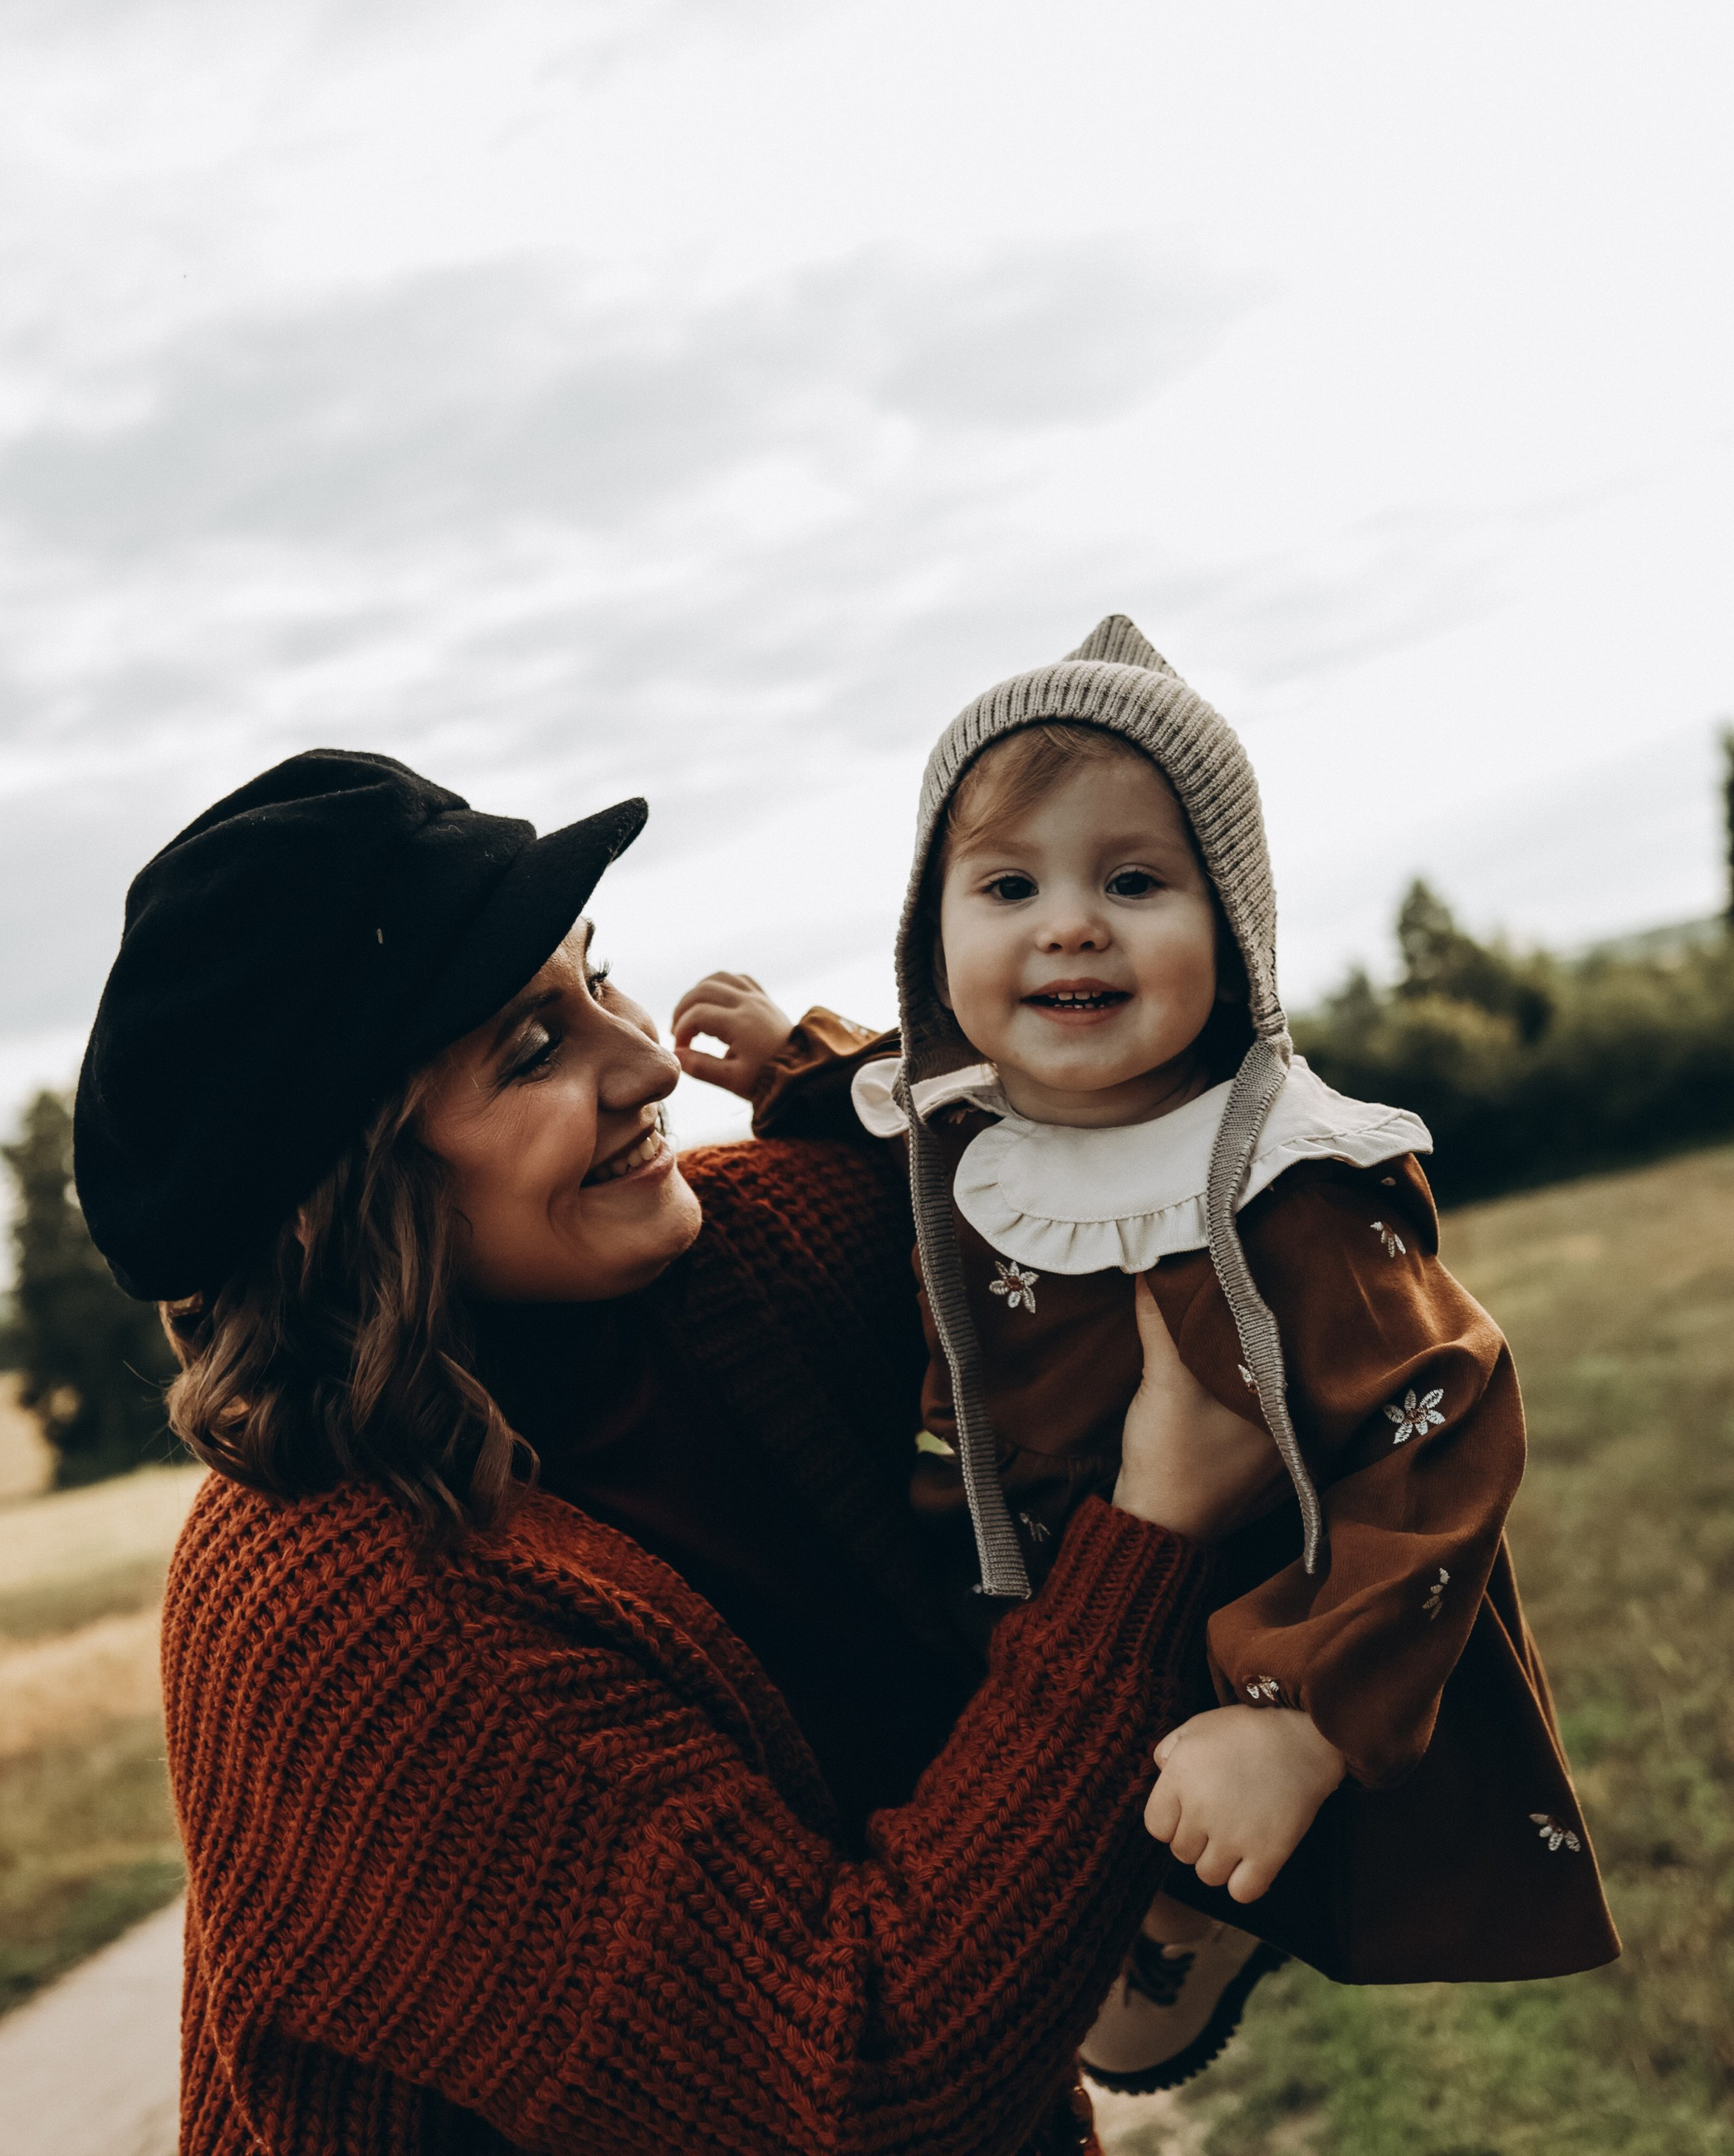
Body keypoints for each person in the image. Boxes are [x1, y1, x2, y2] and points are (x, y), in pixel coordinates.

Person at [73, 744, 1283, 2156]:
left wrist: (842, 1059)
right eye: (529, 1047)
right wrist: (1158, 1532)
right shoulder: (340, 1615)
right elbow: (858, 2089)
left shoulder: (734, 1268)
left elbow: (1120, 1145)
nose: (645, 1062)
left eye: (596, 979)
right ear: (327, 1202)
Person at [678, 615, 1615, 2099]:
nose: (1070, 924)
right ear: (936, 932)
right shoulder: (970, 1120)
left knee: (1196, 1797)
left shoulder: (1285, 1186)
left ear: (1232, 925)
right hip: (1027, 1589)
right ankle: (1141, 1904)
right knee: (986, 1808)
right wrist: (792, 1053)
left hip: (1247, 1611)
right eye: (1008, 885)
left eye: (1132, 881)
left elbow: (1447, 1416)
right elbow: (889, 1080)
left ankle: (1200, 1910)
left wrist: (1297, 1719)